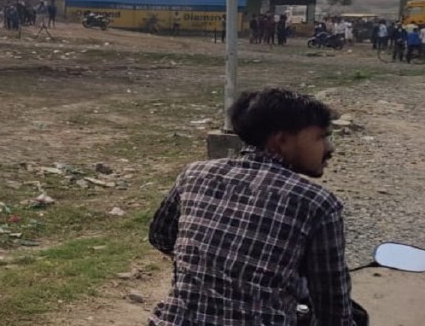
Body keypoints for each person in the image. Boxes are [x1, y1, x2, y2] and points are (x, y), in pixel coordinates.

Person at [148, 88, 355, 326]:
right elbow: (332, 307)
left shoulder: (195, 174)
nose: (329, 149)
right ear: (282, 141)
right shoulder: (316, 203)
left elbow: (160, 237)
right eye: (320, 137)